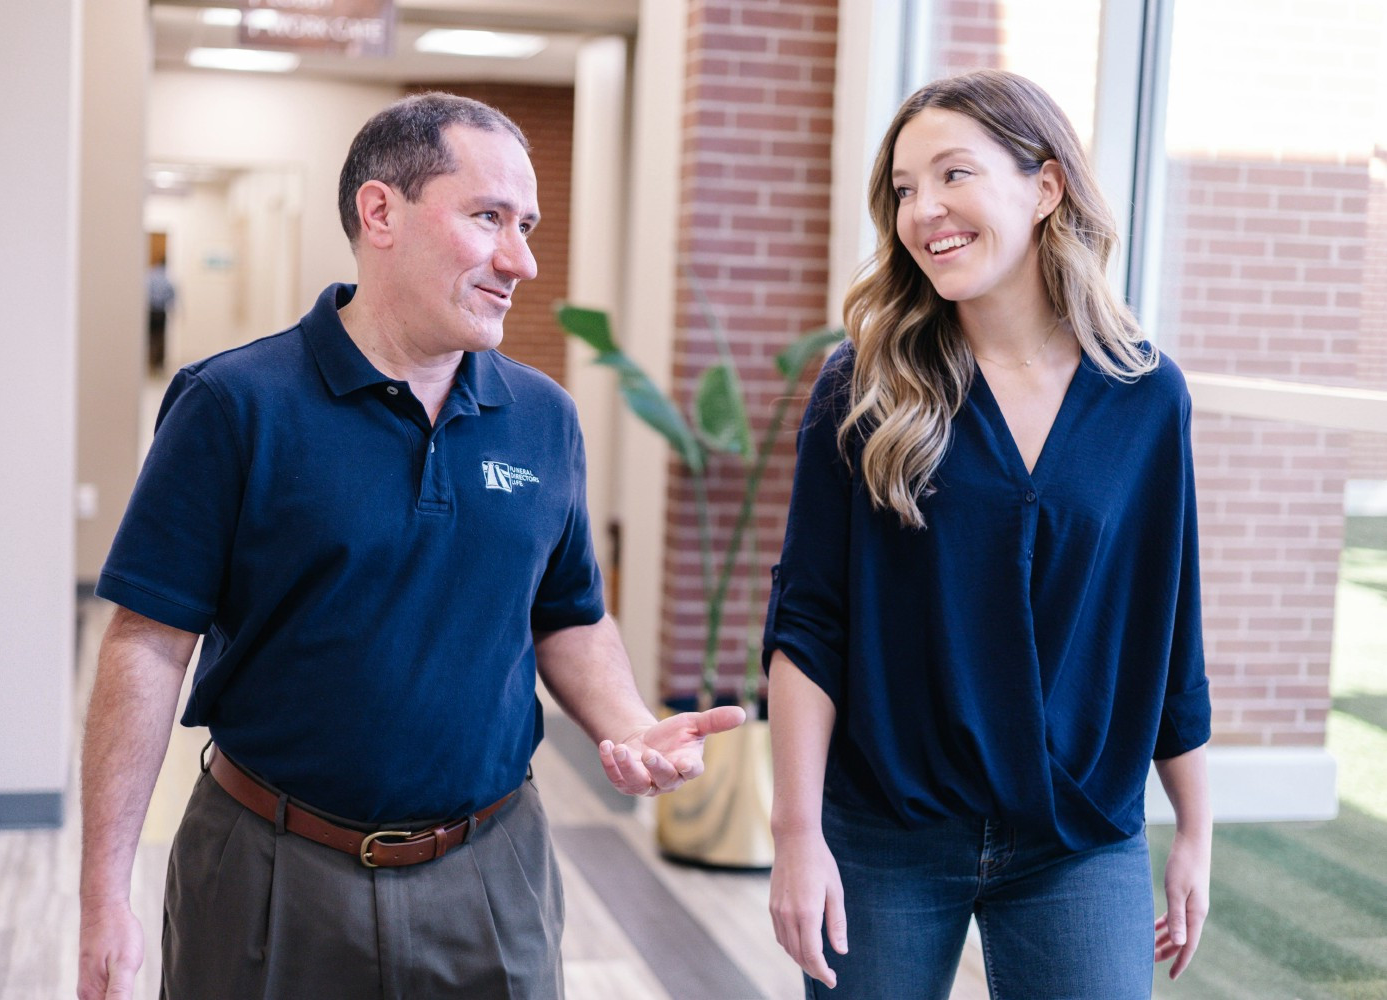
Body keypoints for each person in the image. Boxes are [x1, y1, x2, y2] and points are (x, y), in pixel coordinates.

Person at [77, 92, 744, 1000]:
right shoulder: (234, 405)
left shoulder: (543, 418)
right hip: (271, 870)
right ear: (380, 212)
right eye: (488, 218)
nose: (522, 259)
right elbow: (147, 646)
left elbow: (570, 615)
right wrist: (104, 892)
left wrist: (628, 724)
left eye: (528, 225)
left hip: (490, 872)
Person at [764, 70, 1212, 999]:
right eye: (903, 188)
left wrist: (1195, 836)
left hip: (1079, 834)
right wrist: (795, 837)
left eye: (953, 175)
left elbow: (1169, 626)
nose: (923, 210)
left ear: (1046, 187)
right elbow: (808, 622)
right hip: (887, 829)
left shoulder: (1145, 394)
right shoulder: (865, 386)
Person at [146, 258, 176, 373]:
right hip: (161, 312)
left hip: (151, 311)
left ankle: (151, 363)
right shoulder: (167, 278)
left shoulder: (150, 276)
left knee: (151, 338)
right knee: (160, 338)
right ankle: (159, 364)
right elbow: (172, 295)